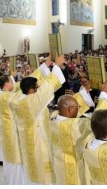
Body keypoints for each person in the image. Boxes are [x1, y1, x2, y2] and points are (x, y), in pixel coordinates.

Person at [48, 84, 107, 185]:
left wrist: (85, 92)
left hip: (60, 166)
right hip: (76, 170)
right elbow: (101, 120)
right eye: (78, 107)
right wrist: (103, 94)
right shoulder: (76, 126)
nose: (79, 110)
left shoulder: (53, 117)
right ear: (71, 110)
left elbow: (66, 106)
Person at [12, 54, 65, 184]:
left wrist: (46, 64)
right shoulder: (32, 102)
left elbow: (35, 81)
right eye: (36, 87)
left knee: (31, 170)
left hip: (27, 139)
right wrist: (56, 66)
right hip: (37, 140)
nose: (38, 88)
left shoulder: (18, 99)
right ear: (31, 90)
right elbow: (48, 88)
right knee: (41, 172)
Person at [0, 74, 25, 185]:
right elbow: (22, 95)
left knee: (8, 156)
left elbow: (15, 90)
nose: (13, 84)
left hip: (4, 128)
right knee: (15, 156)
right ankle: (17, 183)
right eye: (11, 82)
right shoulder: (8, 97)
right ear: (6, 84)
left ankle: (10, 181)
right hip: (11, 129)